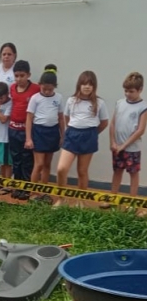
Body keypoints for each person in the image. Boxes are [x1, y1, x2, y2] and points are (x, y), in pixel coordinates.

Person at [55, 71, 109, 207]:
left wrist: (92, 134)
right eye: (84, 83)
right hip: (72, 135)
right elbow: (66, 118)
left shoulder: (100, 103)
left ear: (94, 86)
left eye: (90, 84)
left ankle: (81, 200)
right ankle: (61, 199)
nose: (87, 87)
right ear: (79, 85)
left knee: (82, 171)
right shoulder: (71, 101)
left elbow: (104, 123)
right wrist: (74, 131)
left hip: (89, 136)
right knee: (62, 168)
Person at [106, 72, 147, 201]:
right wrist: (113, 142)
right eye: (126, 91)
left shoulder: (143, 107)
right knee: (117, 171)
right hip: (117, 146)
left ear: (140, 90)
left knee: (133, 173)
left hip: (132, 148)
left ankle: (132, 201)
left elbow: (140, 130)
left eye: (131, 91)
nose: (128, 94)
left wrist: (124, 145)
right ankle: (113, 198)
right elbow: (113, 124)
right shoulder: (120, 103)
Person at [25, 70, 64, 202]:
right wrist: (28, 138)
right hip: (39, 132)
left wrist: (62, 135)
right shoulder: (35, 98)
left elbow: (60, 118)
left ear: (54, 87)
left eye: (50, 89)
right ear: (40, 85)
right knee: (39, 164)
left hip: (52, 132)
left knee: (47, 164)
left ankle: (44, 190)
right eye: (44, 88)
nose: (47, 91)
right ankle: (33, 192)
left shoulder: (58, 98)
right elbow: (29, 118)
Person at [9, 60, 40, 200]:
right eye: (16, 76)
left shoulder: (35, 89)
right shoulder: (12, 88)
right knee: (16, 159)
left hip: (27, 131)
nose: (19, 79)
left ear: (28, 75)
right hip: (13, 129)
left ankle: (27, 188)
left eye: (22, 75)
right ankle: (18, 186)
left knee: (27, 159)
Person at [0, 82, 13, 189]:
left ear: (7, 94)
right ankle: (2, 182)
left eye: (1, 97)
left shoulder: (10, 104)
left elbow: (3, 119)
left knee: (7, 162)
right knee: (1, 161)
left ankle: (7, 184)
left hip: (6, 138)